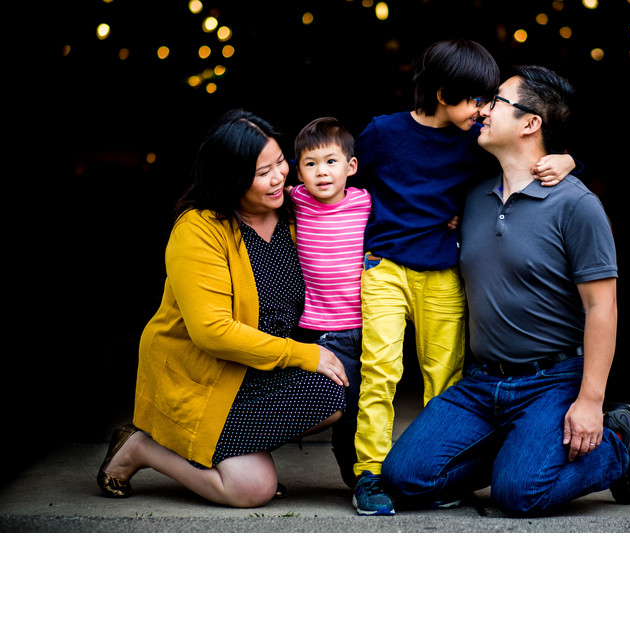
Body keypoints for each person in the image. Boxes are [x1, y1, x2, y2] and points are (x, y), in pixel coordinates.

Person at [382, 65, 630, 516]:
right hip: (482, 382)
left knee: (518, 494)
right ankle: (521, 451)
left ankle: (619, 445)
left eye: (497, 102)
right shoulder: (471, 197)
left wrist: (590, 400)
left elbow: (602, 307)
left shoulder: (576, 205)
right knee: (405, 478)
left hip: (553, 380)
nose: (483, 110)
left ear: (531, 123)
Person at [351, 39, 577, 516]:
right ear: (441, 93)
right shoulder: (382, 133)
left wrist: (569, 158)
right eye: (475, 99)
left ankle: (444, 469)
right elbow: (342, 183)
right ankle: (368, 473)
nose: (483, 110)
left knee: (445, 377)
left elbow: (526, 161)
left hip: (442, 273)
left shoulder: (474, 145)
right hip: (385, 269)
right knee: (380, 371)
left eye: (488, 100)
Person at [96, 109, 349, 508]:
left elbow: (351, 215)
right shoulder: (199, 229)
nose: (279, 176)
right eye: (261, 171)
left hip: (254, 371)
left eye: (280, 161)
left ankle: (226, 445)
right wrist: (304, 353)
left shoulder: (294, 213)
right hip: (200, 375)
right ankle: (141, 446)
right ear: (228, 178)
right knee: (253, 489)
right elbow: (212, 331)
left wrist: (445, 220)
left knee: (333, 391)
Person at [290, 117, 372, 488]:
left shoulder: (365, 202)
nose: (321, 172)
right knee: (335, 407)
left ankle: (358, 478)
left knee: (359, 408)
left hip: (364, 328)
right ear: (299, 172)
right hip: (320, 332)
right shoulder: (295, 201)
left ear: (350, 167)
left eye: (330, 161)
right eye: (310, 164)